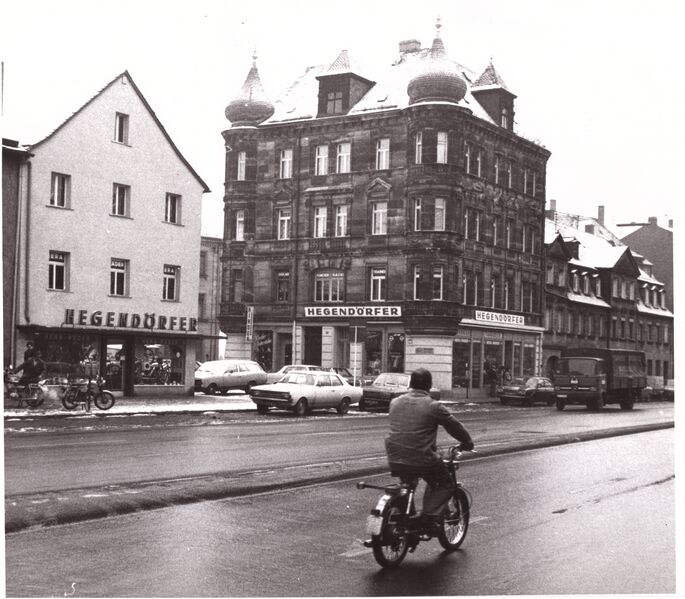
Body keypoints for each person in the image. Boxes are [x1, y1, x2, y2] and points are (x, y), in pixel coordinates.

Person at [385, 368, 474, 529]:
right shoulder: (433, 406)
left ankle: (407, 520)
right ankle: (427, 516)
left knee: (408, 484)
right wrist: (467, 442)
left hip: (394, 458)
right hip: (422, 458)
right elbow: (454, 427)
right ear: (429, 386)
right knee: (445, 483)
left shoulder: (395, 402)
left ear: (410, 384)